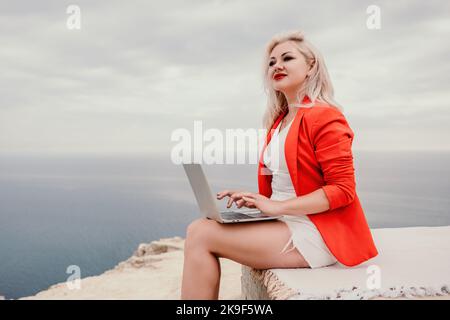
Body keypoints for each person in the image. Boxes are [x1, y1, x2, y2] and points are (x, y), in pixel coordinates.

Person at [181, 30, 378, 300]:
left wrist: (277, 206)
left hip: (314, 230)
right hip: (285, 220)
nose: (277, 66)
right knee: (199, 228)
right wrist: (259, 200)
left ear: (311, 66)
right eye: (272, 62)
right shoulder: (279, 121)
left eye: (287, 58)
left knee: (201, 235)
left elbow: (343, 190)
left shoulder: (326, 116)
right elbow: (289, 184)